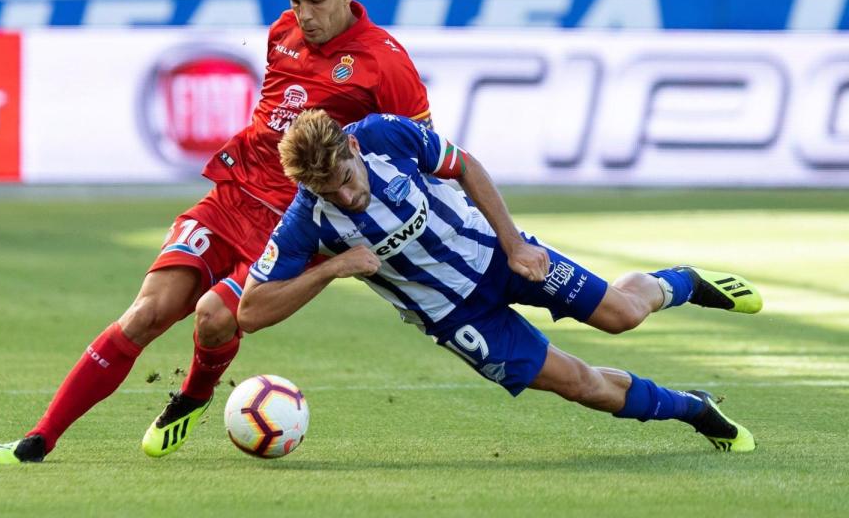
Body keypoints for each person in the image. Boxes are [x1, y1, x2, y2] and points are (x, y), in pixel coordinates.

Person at [0, 0, 431, 464]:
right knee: (145, 313)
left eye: (315, 1)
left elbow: (416, 150)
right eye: (295, 1)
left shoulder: (384, 61)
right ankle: (39, 440)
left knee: (214, 315)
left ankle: (194, 395)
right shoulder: (281, 34)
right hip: (231, 196)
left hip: (294, 224)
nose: (303, 16)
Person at [237, 109, 762, 453]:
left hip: (494, 253)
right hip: (457, 319)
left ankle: (686, 282)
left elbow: (464, 166)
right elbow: (251, 312)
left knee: (623, 315)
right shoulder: (307, 221)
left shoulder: (382, 136)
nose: (347, 197)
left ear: (351, 149)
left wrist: (513, 242)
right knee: (582, 386)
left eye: (347, 181)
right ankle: (694, 408)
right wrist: (331, 268)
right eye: (329, 193)